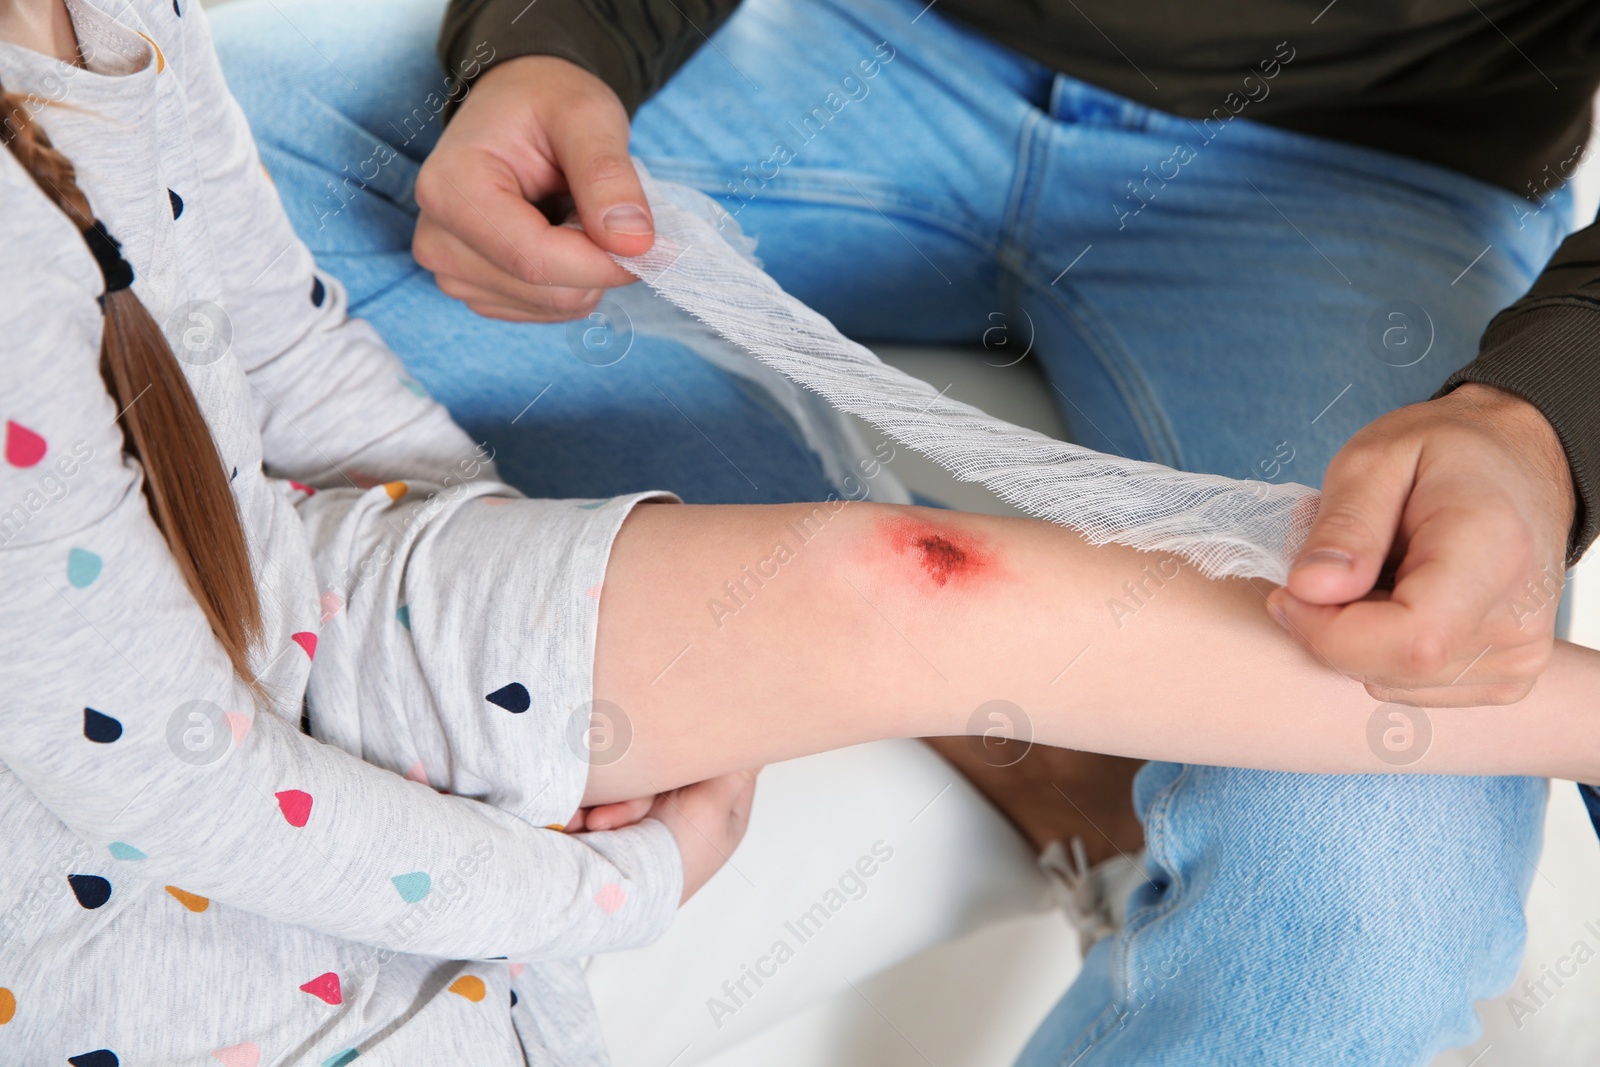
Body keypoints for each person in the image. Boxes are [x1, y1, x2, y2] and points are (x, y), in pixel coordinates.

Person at [3, 1, 1597, 1063]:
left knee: (1369, 888)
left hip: (1383, 167)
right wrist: (562, 36)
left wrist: (1543, 426)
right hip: (863, 41)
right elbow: (150, 744)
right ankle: (921, 657)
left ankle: (869, 623)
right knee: (224, 191)